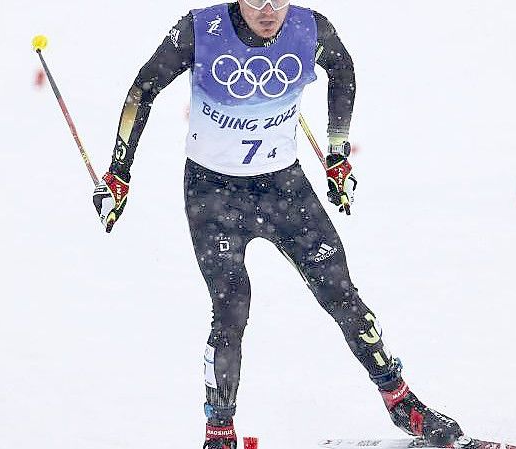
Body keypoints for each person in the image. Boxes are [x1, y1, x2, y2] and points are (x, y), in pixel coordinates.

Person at [92, 1, 468, 448]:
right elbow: (143, 89)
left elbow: (343, 70)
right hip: (213, 195)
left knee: (341, 293)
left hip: (281, 188)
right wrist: (119, 172)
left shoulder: (310, 28)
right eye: (255, 0)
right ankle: (219, 433)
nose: (268, 11)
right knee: (231, 309)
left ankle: (401, 402)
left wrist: (337, 152)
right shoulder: (200, 29)